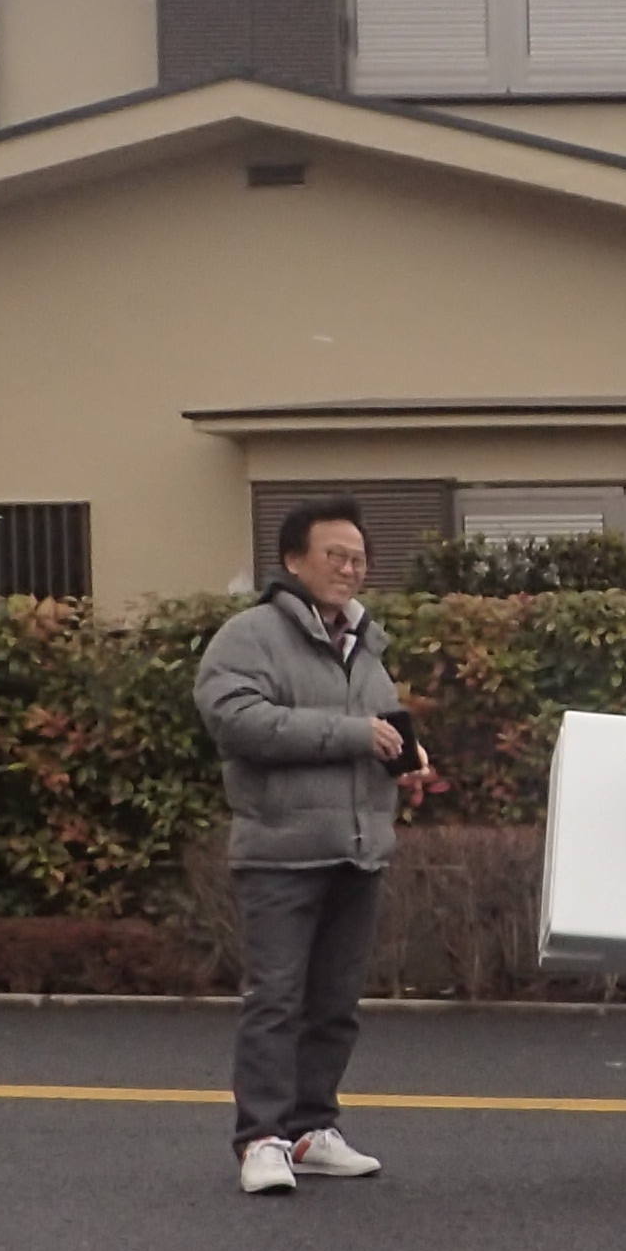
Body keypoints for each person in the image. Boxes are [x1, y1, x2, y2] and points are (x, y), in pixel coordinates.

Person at [195, 495, 434, 1198]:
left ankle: (310, 1127)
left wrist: (406, 757)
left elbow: (379, 726)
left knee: (334, 1001)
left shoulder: (366, 643)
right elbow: (239, 723)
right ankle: (261, 1138)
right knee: (275, 998)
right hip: (279, 849)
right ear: (294, 560)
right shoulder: (250, 635)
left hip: (358, 849)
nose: (350, 569)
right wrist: (356, 734)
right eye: (336, 556)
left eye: (359, 558)